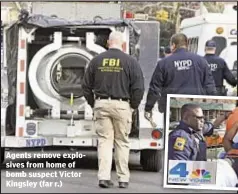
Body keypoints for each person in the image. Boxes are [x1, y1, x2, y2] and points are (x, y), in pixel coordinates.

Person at [82, 31, 144, 189]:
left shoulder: (96, 61)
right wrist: (132, 106)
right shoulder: (131, 62)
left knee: (104, 141)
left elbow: (86, 86)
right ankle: (123, 179)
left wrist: (93, 103)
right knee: (122, 142)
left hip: (101, 104)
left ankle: (104, 177)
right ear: (123, 44)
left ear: (108, 43)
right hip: (122, 105)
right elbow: (138, 88)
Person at [144, 33, 217, 121]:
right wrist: (213, 106)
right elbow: (210, 86)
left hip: (172, 108)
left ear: (173, 45)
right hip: (196, 107)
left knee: (171, 132)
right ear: (187, 45)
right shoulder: (201, 61)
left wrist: (148, 107)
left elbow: (155, 88)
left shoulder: (164, 63)